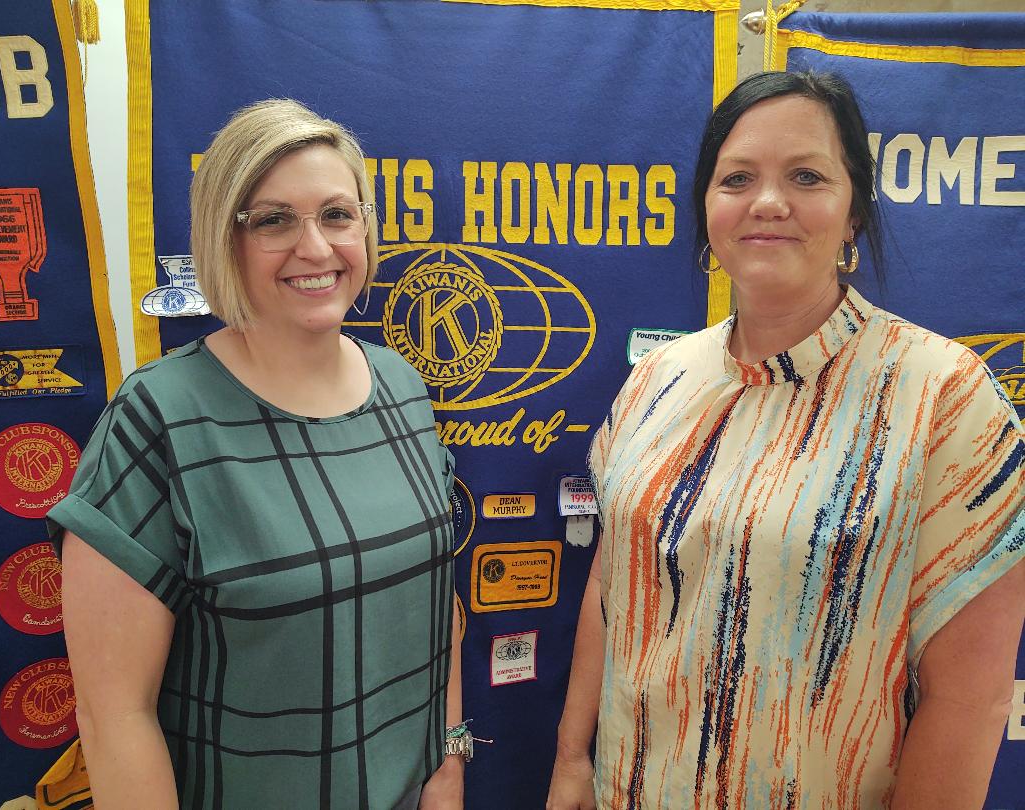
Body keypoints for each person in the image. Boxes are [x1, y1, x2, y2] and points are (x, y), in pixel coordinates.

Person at [547, 71, 1025, 809]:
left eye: (806, 176)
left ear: (854, 212)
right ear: (708, 209)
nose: (768, 202)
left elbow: (970, 700)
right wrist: (573, 760)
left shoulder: (944, 397)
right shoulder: (657, 381)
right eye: (737, 178)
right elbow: (614, 589)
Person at [50, 99, 466, 809]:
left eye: (337, 215)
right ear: (225, 238)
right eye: (274, 220)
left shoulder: (401, 385)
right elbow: (116, 715)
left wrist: (448, 767)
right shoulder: (159, 417)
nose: (316, 248)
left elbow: (439, 606)